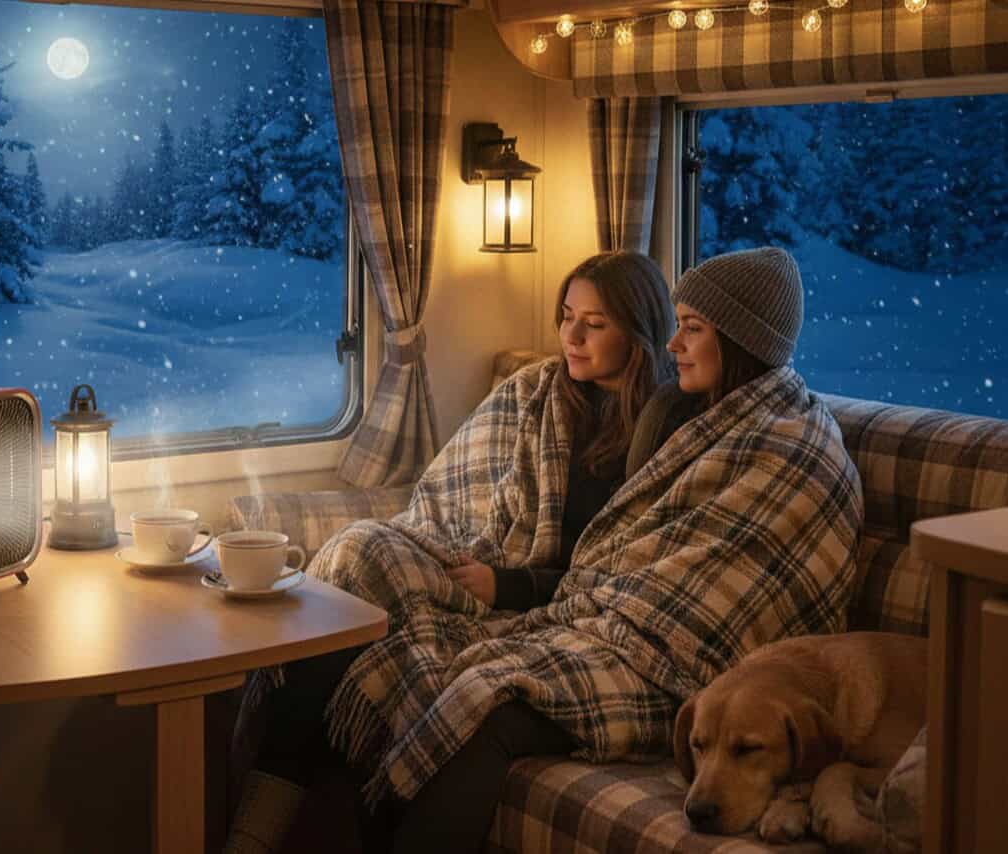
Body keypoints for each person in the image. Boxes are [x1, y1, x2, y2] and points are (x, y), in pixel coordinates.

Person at [235, 248, 864, 854]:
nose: (573, 336)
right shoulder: (553, 396)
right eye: (567, 318)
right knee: (355, 561)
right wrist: (500, 578)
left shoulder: (734, 435)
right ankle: (248, 833)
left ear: (734, 341)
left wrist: (518, 593)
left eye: (691, 329)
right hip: (553, 598)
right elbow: (534, 528)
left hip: (653, 647)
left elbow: (677, 576)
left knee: (477, 690)